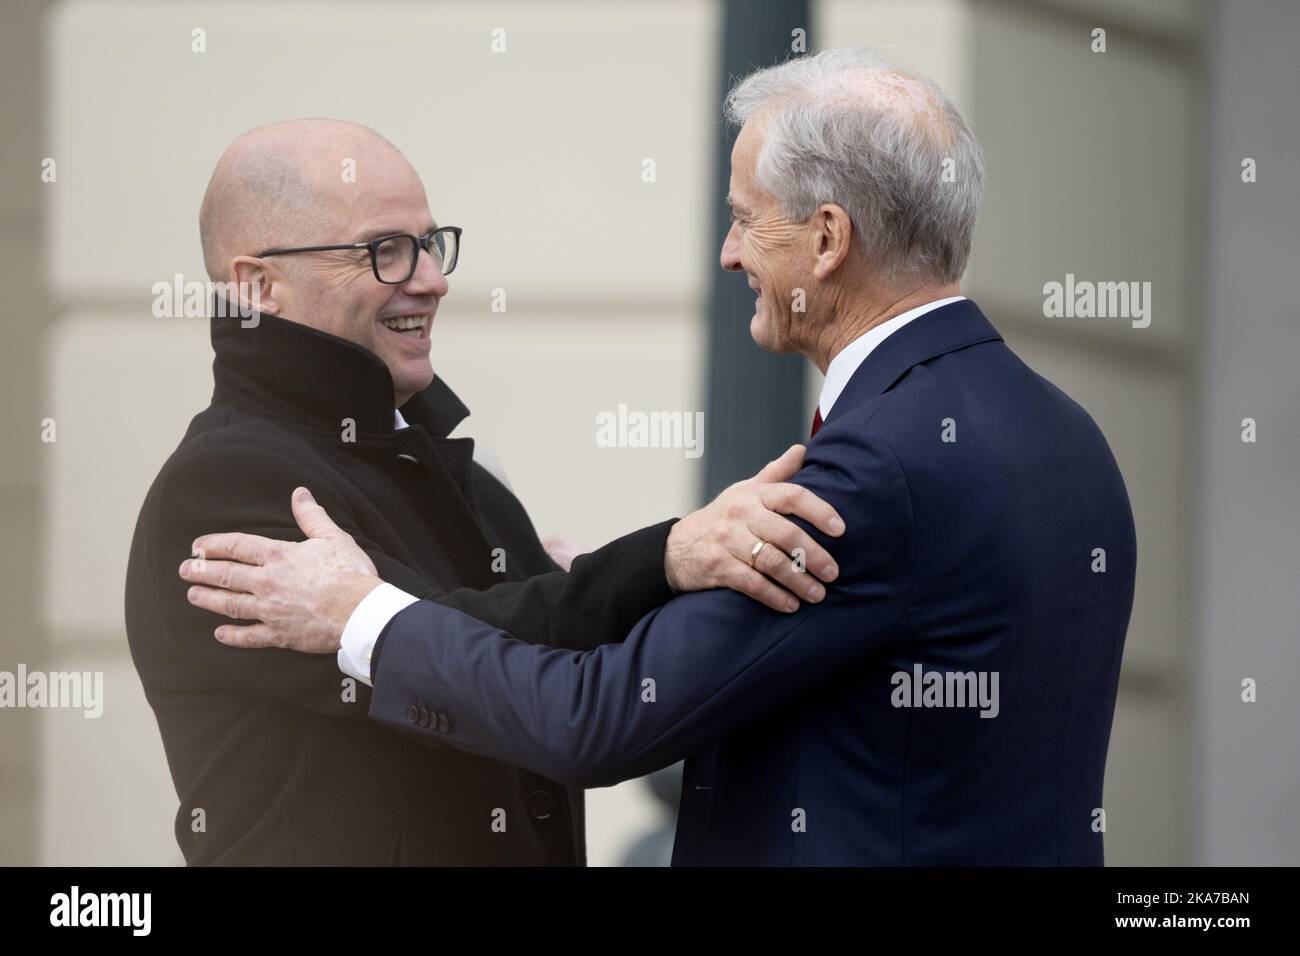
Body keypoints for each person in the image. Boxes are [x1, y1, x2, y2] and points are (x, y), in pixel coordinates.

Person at [182, 50, 1137, 865]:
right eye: (386, 251)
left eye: (745, 218)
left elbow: (594, 719)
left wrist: (360, 616)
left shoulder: (876, 471)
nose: (727, 254)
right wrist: (656, 563)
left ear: (828, 239)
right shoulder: (1068, 435)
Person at [127, 118, 844, 865]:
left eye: (430, 245)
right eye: (385, 251)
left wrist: (658, 579)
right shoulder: (221, 486)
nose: (432, 279)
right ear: (257, 286)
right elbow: (472, 656)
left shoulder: (437, 462)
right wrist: (668, 554)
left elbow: (523, 658)